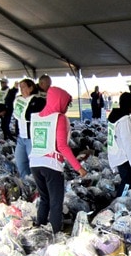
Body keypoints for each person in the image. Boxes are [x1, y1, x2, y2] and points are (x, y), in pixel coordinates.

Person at [29, 86, 87, 233]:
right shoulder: (59, 118)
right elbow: (62, 146)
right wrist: (78, 167)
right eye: (67, 104)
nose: (66, 108)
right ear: (60, 101)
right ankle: (55, 235)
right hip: (51, 165)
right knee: (56, 203)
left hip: (35, 163)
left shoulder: (36, 117)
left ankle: (38, 231)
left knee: (44, 199)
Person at [107, 92, 131, 196]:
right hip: (123, 156)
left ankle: (121, 200)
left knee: (126, 179)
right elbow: (128, 145)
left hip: (115, 153)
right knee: (127, 180)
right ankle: (119, 201)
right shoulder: (124, 120)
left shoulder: (114, 115)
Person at [13, 78, 46, 177]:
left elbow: (32, 116)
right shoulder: (19, 100)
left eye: (23, 87)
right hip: (21, 137)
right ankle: (27, 182)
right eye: (20, 88)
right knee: (20, 162)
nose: (21, 89)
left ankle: (36, 182)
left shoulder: (39, 100)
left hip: (32, 138)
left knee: (34, 164)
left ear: (31, 88)